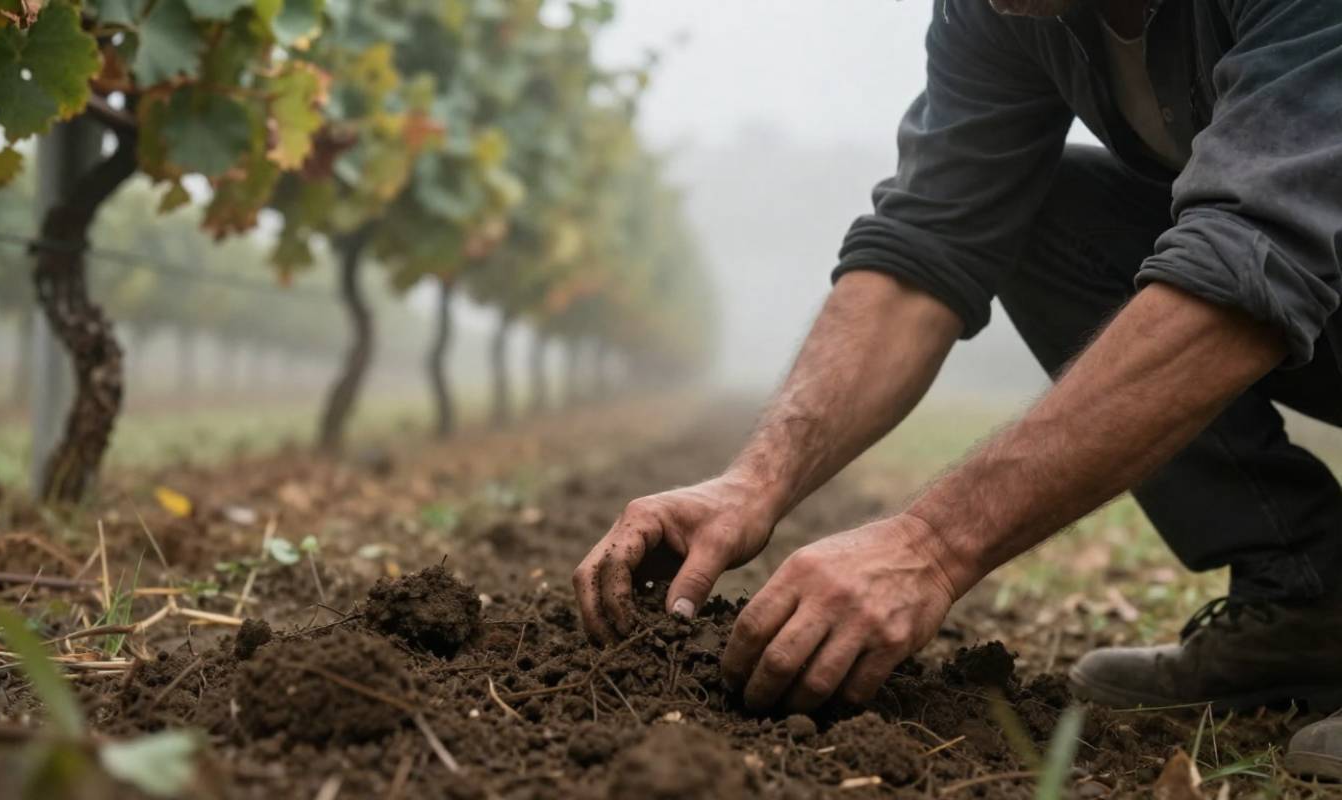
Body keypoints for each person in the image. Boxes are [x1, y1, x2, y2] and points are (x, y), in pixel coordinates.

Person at [572, 0, 1342, 780]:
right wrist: (753, 483)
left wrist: (932, 545)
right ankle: (1306, 605)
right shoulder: (1005, 12)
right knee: (1046, 210)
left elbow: (1252, 257)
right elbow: (928, 245)